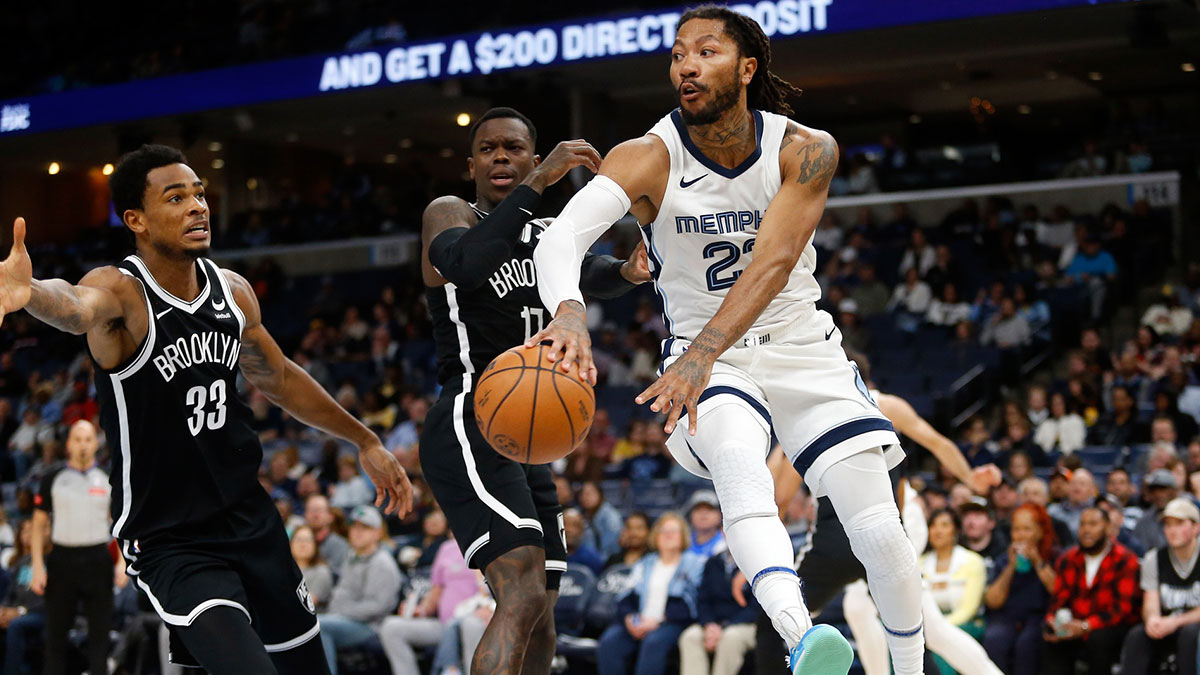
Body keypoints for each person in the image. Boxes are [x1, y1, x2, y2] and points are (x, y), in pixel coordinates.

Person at [531, 7, 925, 673]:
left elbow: (772, 265)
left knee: (879, 529)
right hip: (706, 360)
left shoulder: (806, 149)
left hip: (799, 347)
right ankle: (805, 638)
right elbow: (561, 237)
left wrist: (700, 356)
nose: (685, 64)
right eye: (677, 54)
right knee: (742, 468)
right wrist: (569, 308)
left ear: (746, 68)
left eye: (705, 51)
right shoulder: (648, 156)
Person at [0, 146, 412, 674]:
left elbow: (279, 378)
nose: (198, 206)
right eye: (177, 198)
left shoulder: (234, 292)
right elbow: (75, 306)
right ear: (137, 220)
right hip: (170, 537)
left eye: (199, 193)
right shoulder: (122, 292)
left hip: (250, 519)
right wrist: (28, 292)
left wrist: (366, 440)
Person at [418, 106, 649, 674]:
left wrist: (627, 271)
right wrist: (538, 179)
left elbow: (588, 271)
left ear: (531, 151)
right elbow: (467, 265)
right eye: (491, 149)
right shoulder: (450, 213)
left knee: (543, 612)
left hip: (523, 434)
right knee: (518, 591)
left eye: (515, 149)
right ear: (471, 163)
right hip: (470, 415)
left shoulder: (547, 237)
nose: (502, 157)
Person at [30, 420, 119, 675]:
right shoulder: (53, 478)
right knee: (55, 638)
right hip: (62, 560)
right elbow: (38, 524)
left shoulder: (107, 479)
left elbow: (122, 525)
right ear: (68, 444)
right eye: (77, 439)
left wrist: (122, 563)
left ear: (95, 444)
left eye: (88, 439)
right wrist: (37, 566)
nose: (82, 444)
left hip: (98, 560)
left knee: (99, 639)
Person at [597, 512, 705, 675]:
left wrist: (657, 622)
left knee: (653, 641)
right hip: (639, 620)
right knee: (610, 641)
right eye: (663, 530)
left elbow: (692, 602)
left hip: (673, 622)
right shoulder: (645, 563)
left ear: (683, 536)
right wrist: (629, 618)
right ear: (656, 536)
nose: (668, 534)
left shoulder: (695, 563)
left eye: (673, 531)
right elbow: (627, 596)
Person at [1040, 505, 1140, 675]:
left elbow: (1121, 609)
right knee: (1051, 639)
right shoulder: (1068, 558)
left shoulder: (1125, 559)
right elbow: (1059, 599)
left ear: (1108, 528)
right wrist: (1054, 622)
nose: (1086, 530)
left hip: (1111, 626)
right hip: (1075, 625)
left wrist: (1087, 626)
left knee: (1098, 639)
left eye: (1093, 524)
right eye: (1083, 524)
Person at [319, 505, 404, 674]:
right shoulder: (352, 556)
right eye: (355, 527)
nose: (357, 532)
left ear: (377, 533)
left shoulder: (382, 563)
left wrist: (342, 611)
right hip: (344, 619)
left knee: (319, 627)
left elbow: (377, 607)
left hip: (371, 627)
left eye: (365, 528)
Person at [1121, 497, 1200, 675]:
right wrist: (1153, 620)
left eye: (1179, 523)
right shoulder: (1154, 558)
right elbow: (1150, 601)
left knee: (1190, 634)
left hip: (1192, 627)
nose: (1172, 530)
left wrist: (1175, 622)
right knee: (1138, 635)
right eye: (1168, 525)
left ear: (1196, 527)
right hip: (1167, 625)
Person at [380, 535, 479, 675]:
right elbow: (436, 590)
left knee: (471, 625)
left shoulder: (489, 546)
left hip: (476, 622)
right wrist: (420, 610)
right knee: (391, 627)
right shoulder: (447, 548)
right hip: (443, 625)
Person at [981, 503, 1058, 675]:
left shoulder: (1053, 556)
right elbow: (993, 601)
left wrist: (1037, 561)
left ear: (1040, 531)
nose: (1021, 535)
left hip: (1038, 617)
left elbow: (1057, 591)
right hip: (1006, 617)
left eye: (1027, 529)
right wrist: (1010, 567)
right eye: (1016, 529)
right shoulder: (1004, 558)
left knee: (1028, 644)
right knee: (994, 640)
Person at [678, 548, 759, 675]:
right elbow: (703, 600)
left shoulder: (760, 561)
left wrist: (723, 627)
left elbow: (756, 608)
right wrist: (709, 624)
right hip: (715, 624)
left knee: (731, 638)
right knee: (690, 636)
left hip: (748, 624)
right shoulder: (713, 562)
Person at [1, 520, 46, 674]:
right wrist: (4, 610)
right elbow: (10, 593)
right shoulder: (23, 562)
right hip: (20, 612)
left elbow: (49, 601)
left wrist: (21, 611)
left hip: (41, 614)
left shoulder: (52, 562)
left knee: (16, 625)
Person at [290, 525, 334, 613]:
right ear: (290, 544)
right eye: (298, 540)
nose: (302, 544)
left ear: (315, 546)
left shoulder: (322, 572)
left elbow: (307, 605)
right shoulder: (283, 571)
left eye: (307, 540)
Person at [1135, 468, 1180, 551]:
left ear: (1174, 491)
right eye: (1154, 490)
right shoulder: (1143, 522)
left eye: (1163, 489)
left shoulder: (1187, 515)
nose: (1158, 494)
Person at [577, 481, 623, 559]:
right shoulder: (579, 514)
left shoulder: (611, 516)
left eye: (589, 493)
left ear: (600, 495)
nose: (585, 497)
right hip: (585, 558)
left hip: (606, 560)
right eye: (582, 494)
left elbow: (611, 548)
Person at [306, 494, 351, 571]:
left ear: (330, 516)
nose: (315, 515)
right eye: (311, 510)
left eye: (319, 510)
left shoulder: (340, 545)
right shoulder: (297, 542)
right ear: (305, 515)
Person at [685, 490, 726, 559]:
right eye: (698, 509)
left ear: (720, 515)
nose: (703, 513)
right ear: (691, 515)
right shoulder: (683, 542)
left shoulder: (726, 543)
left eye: (709, 509)